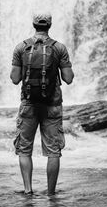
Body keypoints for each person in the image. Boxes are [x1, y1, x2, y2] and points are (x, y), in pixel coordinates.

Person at [10, 13, 74, 195]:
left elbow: (15, 79)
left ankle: (28, 190)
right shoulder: (59, 47)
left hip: (28, 104)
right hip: (52, 105)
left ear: (34, 25)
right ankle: (51, 193)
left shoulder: (21, 47)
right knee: (53, 151)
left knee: (24, 149)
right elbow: (68, 79)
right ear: (50, 25)